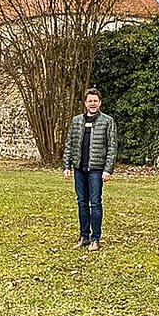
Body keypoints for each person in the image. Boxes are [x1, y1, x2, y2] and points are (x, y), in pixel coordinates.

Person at [62, 88, 117, 252]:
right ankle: (84, 236)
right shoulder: (77, 121)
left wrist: (108, 170)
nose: (92, 103)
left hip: (96, 170)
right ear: (85, 103)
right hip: (79, 168)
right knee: (81, 203)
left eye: (95, 101)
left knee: (95, 203)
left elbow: (112, 148)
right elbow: (69, 144)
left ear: (99, 103)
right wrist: (67, 165)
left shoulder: (108, 121)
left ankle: (95, 239)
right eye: (90, 101)